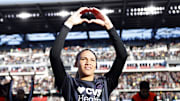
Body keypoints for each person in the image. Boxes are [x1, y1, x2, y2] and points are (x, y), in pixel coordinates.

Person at [50, 7, 128, 101]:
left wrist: (109, 26)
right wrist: (68, 24)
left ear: (96, 65)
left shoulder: (105, 84)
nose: (88, 62)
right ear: (76, 63)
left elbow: (122, 56)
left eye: (92, 60)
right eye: (83, 59)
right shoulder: (68, 84)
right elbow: (54, 56)